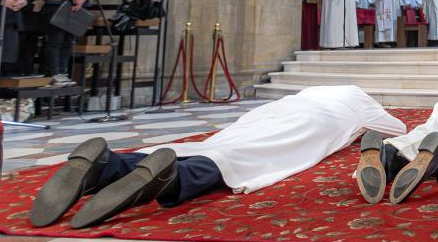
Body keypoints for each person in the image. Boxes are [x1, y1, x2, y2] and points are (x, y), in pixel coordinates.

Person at [31, 85, 406, 228]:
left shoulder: (312, 89)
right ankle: (176, 178)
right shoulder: (359, 97)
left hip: (276, 108)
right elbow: (397, 129)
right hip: (313, 122)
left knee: (224, 140)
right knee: (250, 157)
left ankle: (109, 165)